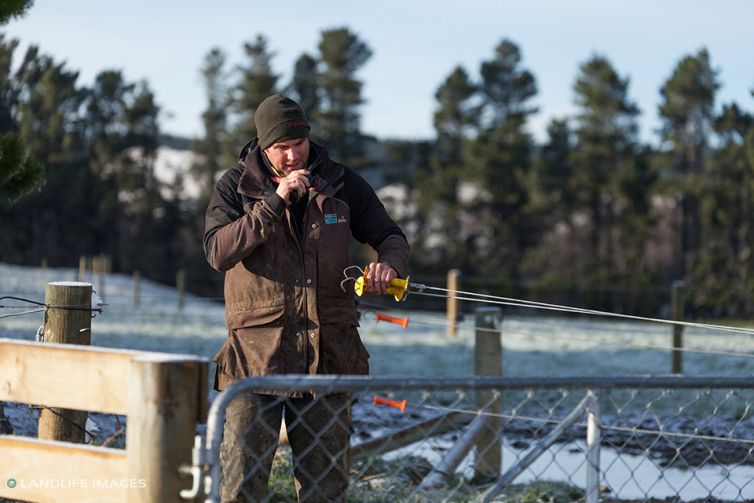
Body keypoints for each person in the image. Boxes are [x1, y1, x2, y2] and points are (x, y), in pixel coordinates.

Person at [203, 94, 410, 502]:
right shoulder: (235, 186)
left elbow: (391, 236)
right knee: (240, 487)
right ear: (264, 147)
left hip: (328, 356)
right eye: (282, 147)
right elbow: (218, 252)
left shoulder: (341, 182)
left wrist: (390, 266)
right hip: (256, 361)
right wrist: (274, 201)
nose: (294, 154)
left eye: (299, 143)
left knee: (326, 491)